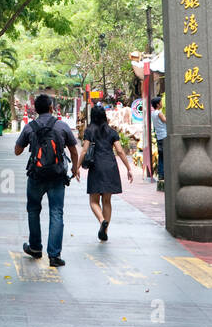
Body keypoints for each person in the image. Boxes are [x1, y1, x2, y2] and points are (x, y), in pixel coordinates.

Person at [14, 94, 80, 267]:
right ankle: (54, 255)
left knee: (33, 211)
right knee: (56, 212)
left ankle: (35, 248)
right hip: (57, 176)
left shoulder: (30, 127)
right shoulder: (62, 126)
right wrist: (75, 168)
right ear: (52, 108)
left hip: (36, 176)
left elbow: (17, 151)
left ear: (35, 109)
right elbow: (74, 150)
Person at [78, 104, 134, 242]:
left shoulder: (89, 131)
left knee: (93, 201)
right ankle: (105, 231)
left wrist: (76, 167)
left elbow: (84, 151)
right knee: (107, 201)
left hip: (96, 167)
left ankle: (102, 221)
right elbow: (120, 151)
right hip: (110, 166)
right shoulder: (112, 132)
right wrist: (129, 168)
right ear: (104, 116)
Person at [150, 95, 168, 188]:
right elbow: (166, 121)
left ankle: (161, 174)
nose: (162, 103)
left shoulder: (153, 113)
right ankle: (164, 174)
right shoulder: (159, 113)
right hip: (164, 135)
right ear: (157, 104)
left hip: (159, 136)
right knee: (165, 155)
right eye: (161, 102)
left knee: (161, 156)